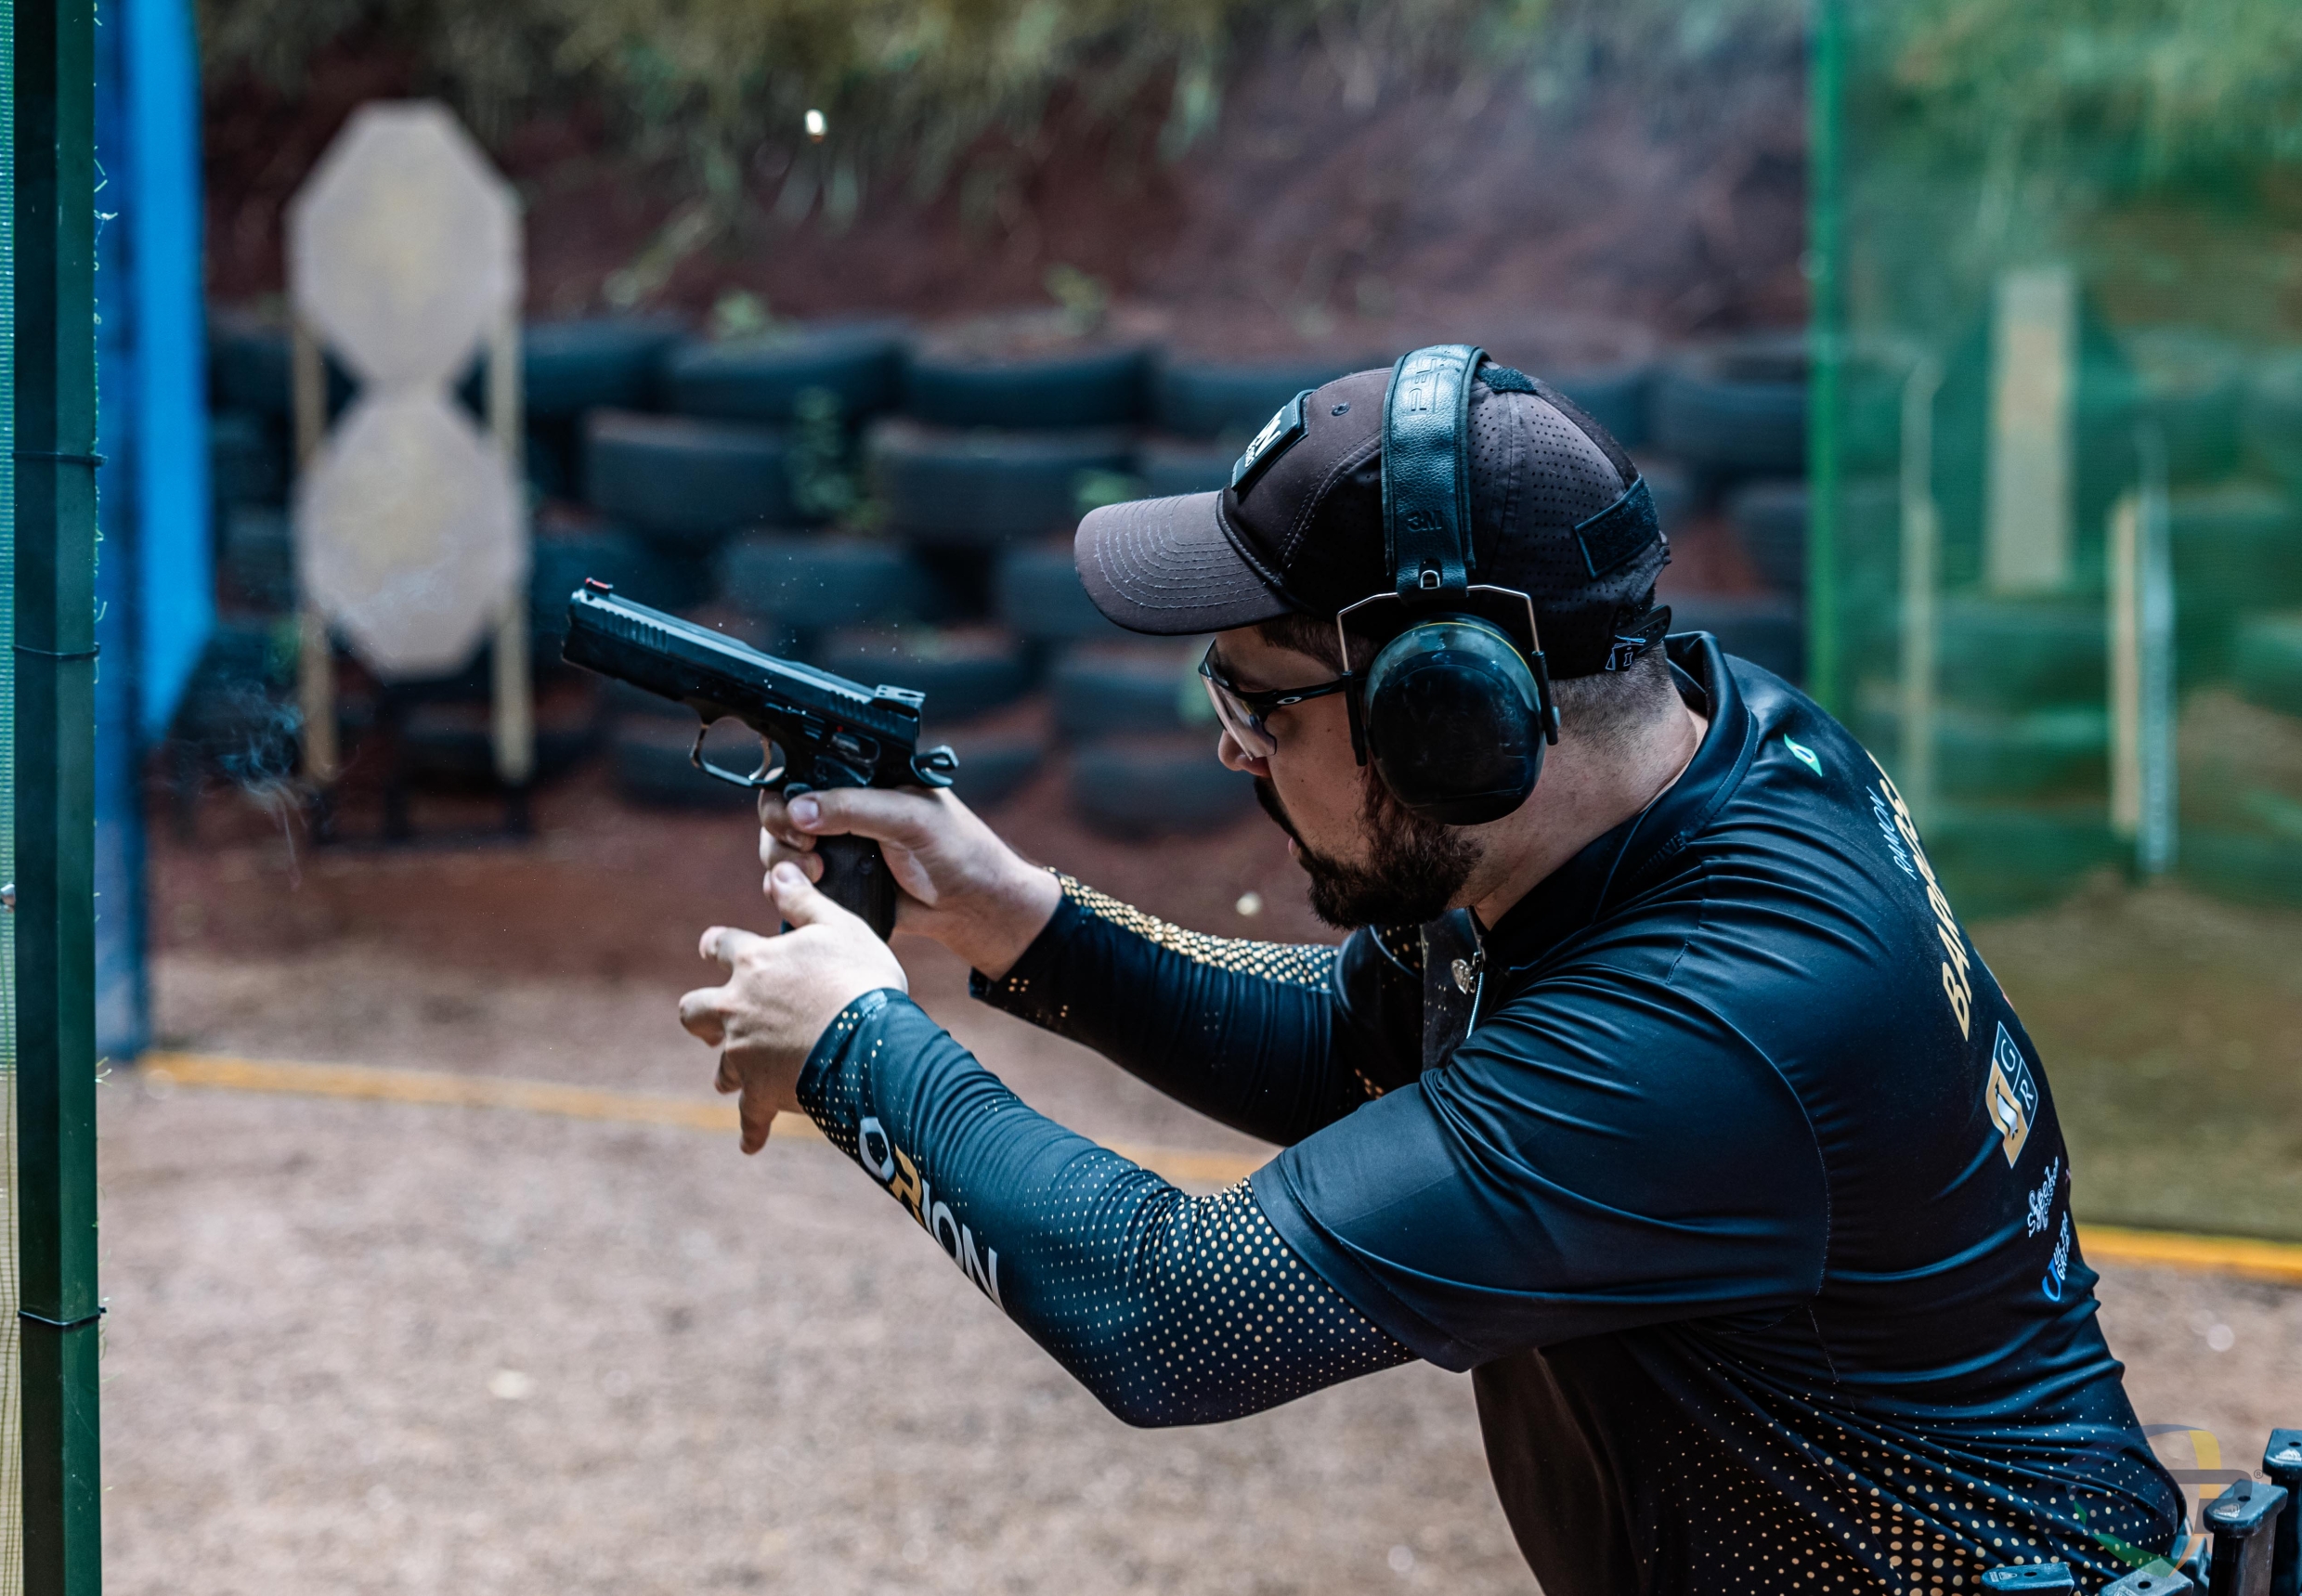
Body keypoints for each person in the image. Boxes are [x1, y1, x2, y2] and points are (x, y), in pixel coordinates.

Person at [680, 355, 2180, 1593]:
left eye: (1260, 701)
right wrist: (1016, 916)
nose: (1232, 748)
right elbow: (1358, 1048)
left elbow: (1172, 1316)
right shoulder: (1694, 760)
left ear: (1447, 715)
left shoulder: (1711, 1021)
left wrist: (855, 1046)